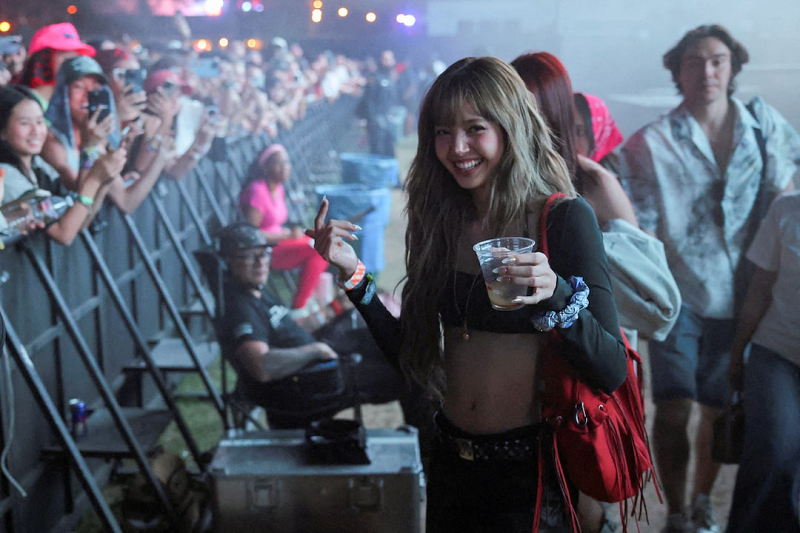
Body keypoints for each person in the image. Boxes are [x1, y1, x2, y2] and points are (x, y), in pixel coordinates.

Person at [308, 56, 627, 532]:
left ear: (510, 127)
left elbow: (612, 367)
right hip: (452, 464)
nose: (456, 148)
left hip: (531, 473)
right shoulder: (442, 222)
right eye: (442, 131)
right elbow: (412, 358)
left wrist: (556, 293)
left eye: (475, 128)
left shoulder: (563, 220)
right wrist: (355, 277)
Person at [617, 25, 800, 533]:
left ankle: (701, 502)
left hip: (745, 295)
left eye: (717, 60)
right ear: (677, 71)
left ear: (733, 68)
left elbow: (785, 197)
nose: (707, 72)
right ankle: (676, 513)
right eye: (694, 62)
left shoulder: (765, 128)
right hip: (679, 296)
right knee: (673, 407)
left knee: (720, 409)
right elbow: (632, 220)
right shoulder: (651, 142)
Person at [213, 222, 407, 429]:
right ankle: (427, 447)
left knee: (400, 345)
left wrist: (335, 308)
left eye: (263, 253)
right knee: (412, 376)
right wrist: (315, 350)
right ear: (228, 263)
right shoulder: (240, 308)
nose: (261, 262)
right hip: (309, 385)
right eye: (249, 255)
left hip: (315, 367)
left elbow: (291, 330)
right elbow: (261, 366)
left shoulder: (255, 292)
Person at [725, 192, 800, 532]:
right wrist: (738, 353)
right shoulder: (786, 209)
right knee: (773, 449)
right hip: (776, 353)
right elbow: (759, 289)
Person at [510, 52, 637, 230]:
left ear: (555, 113)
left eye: (534, 113)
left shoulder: (594, 181)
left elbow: (639, 254)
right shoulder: (500, 175)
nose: (524, 124)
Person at [0, 85, 124, 245]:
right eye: (24, 123)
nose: (36, 130)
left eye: (40, 121)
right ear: (2, 130)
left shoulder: (37, 164)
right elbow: (63, 233)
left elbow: (80, 219)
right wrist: (95, 181)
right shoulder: (6, 174)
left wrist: (104, 178)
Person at [239, 144, 329, 310]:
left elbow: (275, 226)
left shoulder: (278, 189)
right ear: (265, 168)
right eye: (279, 164)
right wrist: (286, 236)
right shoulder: (257, 191)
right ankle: (300, 305)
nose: (285, 168)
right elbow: (250, 234)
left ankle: (305, 301)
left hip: (281, 242)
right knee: (319, 249)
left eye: (287, 163)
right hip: (264, 250)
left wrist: (291, 233)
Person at [356, 50, 400, 157]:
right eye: (385, 59)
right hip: (377, 121)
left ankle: (390, 173)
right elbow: (368, 100)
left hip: (389, 119)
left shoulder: (391, 78)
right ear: (380, 60)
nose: (388, 62)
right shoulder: (374, 78)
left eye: (390, 59)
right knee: (377, 150)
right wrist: (372, 119)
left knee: (389, 148)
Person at [573, 92, 624, 175]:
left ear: (598, 132)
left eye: (578, 132)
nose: (567, 139)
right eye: (564, 129)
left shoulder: (618, 177)